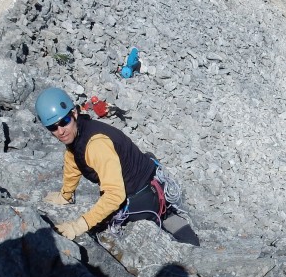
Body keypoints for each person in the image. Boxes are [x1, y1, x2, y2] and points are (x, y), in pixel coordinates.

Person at [35, 86, 200, 245]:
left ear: (75, 113)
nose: (60, 131)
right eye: (52, 127)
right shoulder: (79, 134)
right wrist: (65, 195)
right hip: (150, 181)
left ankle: (171, 226)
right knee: (165, 215)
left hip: (138, 197)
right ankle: (168, 217)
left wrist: (79, 225)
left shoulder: (96, 145)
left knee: (110, 224)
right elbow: (73, 160)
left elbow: (115, 196)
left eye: (64, 121)